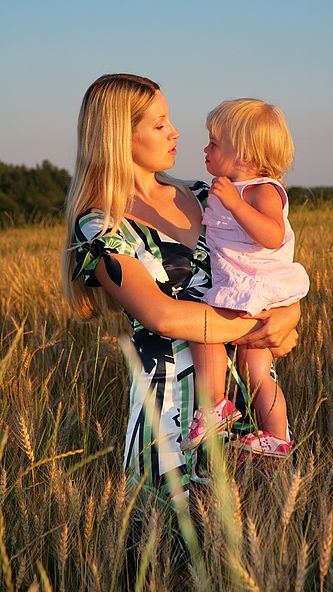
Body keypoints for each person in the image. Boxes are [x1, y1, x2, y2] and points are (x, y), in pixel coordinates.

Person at [61, 74, 300, 499]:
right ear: (119, 136)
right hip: (171, 424)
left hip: (252, 418)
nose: (176, 132)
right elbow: (164, 315)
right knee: (173, 557)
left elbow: (272, 270)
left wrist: (288, 314)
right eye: (159, 124)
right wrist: (259, 325)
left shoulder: (211, 195)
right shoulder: (101, 225)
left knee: (256, 556)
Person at [180, 99, 309, 457]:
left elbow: (272, 235)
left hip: (252, 288)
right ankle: (277, 436)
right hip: (244, 288)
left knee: (204, 334)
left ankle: (215, 407)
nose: (205, 148)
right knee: (255, 372)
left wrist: (235, 205)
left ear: (246, 156)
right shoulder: (226, 188)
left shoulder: (261, 190)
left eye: (214, 142)